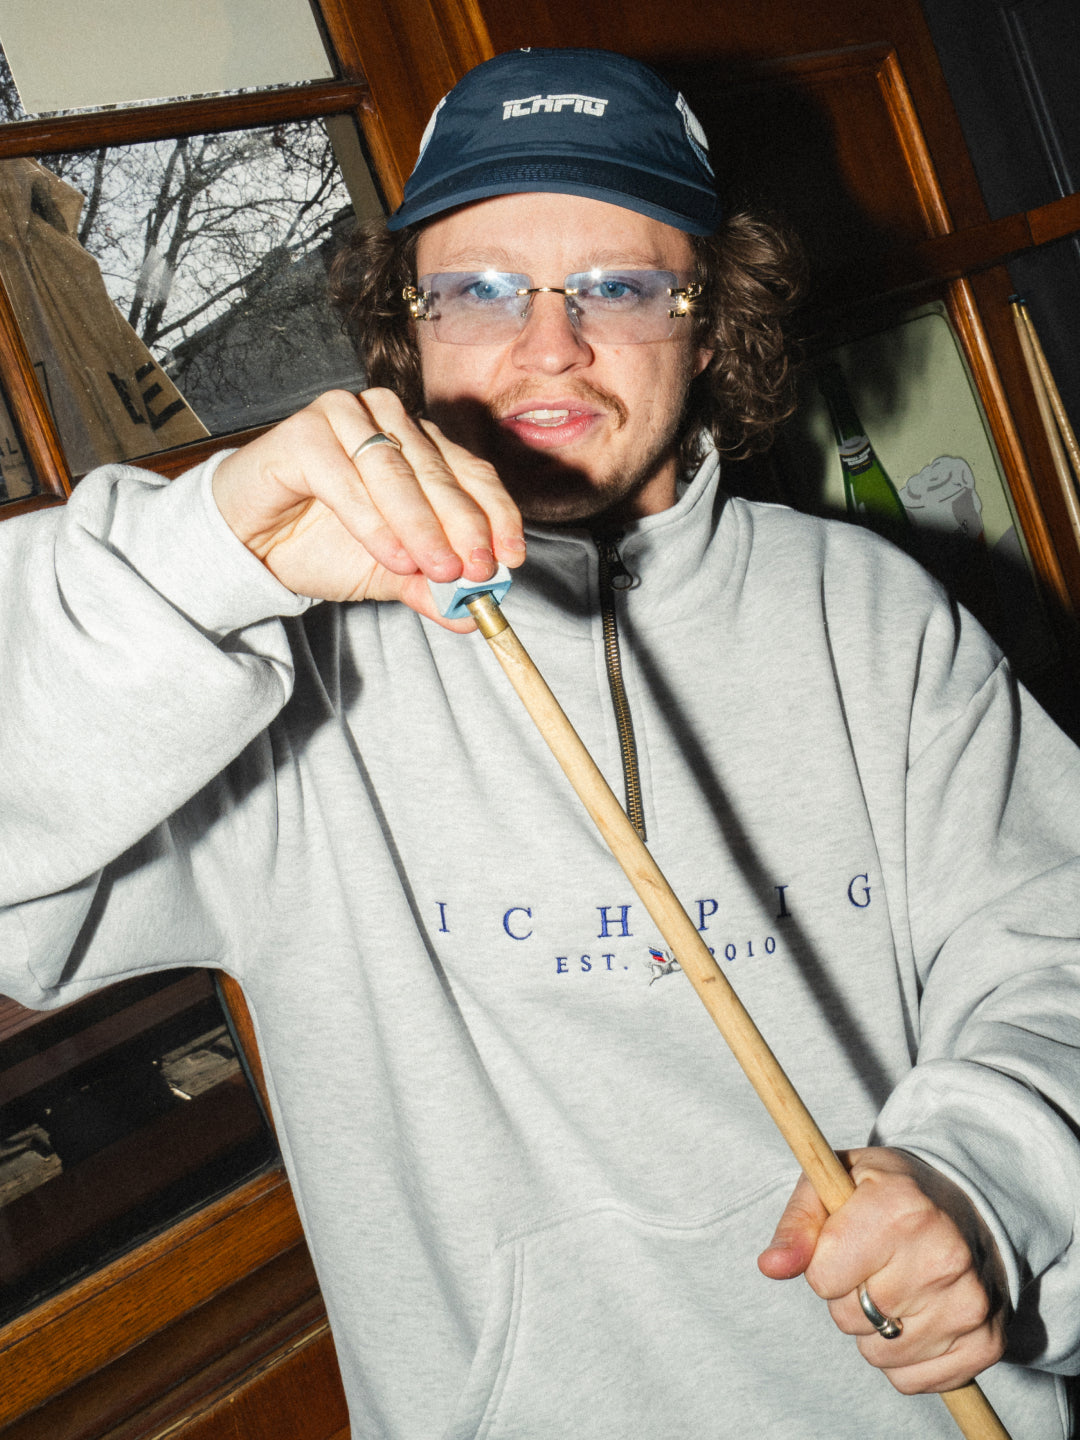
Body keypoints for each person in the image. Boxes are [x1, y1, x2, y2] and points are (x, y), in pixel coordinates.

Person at [2, 46, 1079, 1439]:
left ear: (710, 321)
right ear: (411, 327)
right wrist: (204, 556)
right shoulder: (282, 669)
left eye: (618, 286)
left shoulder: (875, 613)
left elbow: (1054, 959)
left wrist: (986, 1187)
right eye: (480, 289)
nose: (549, 345)